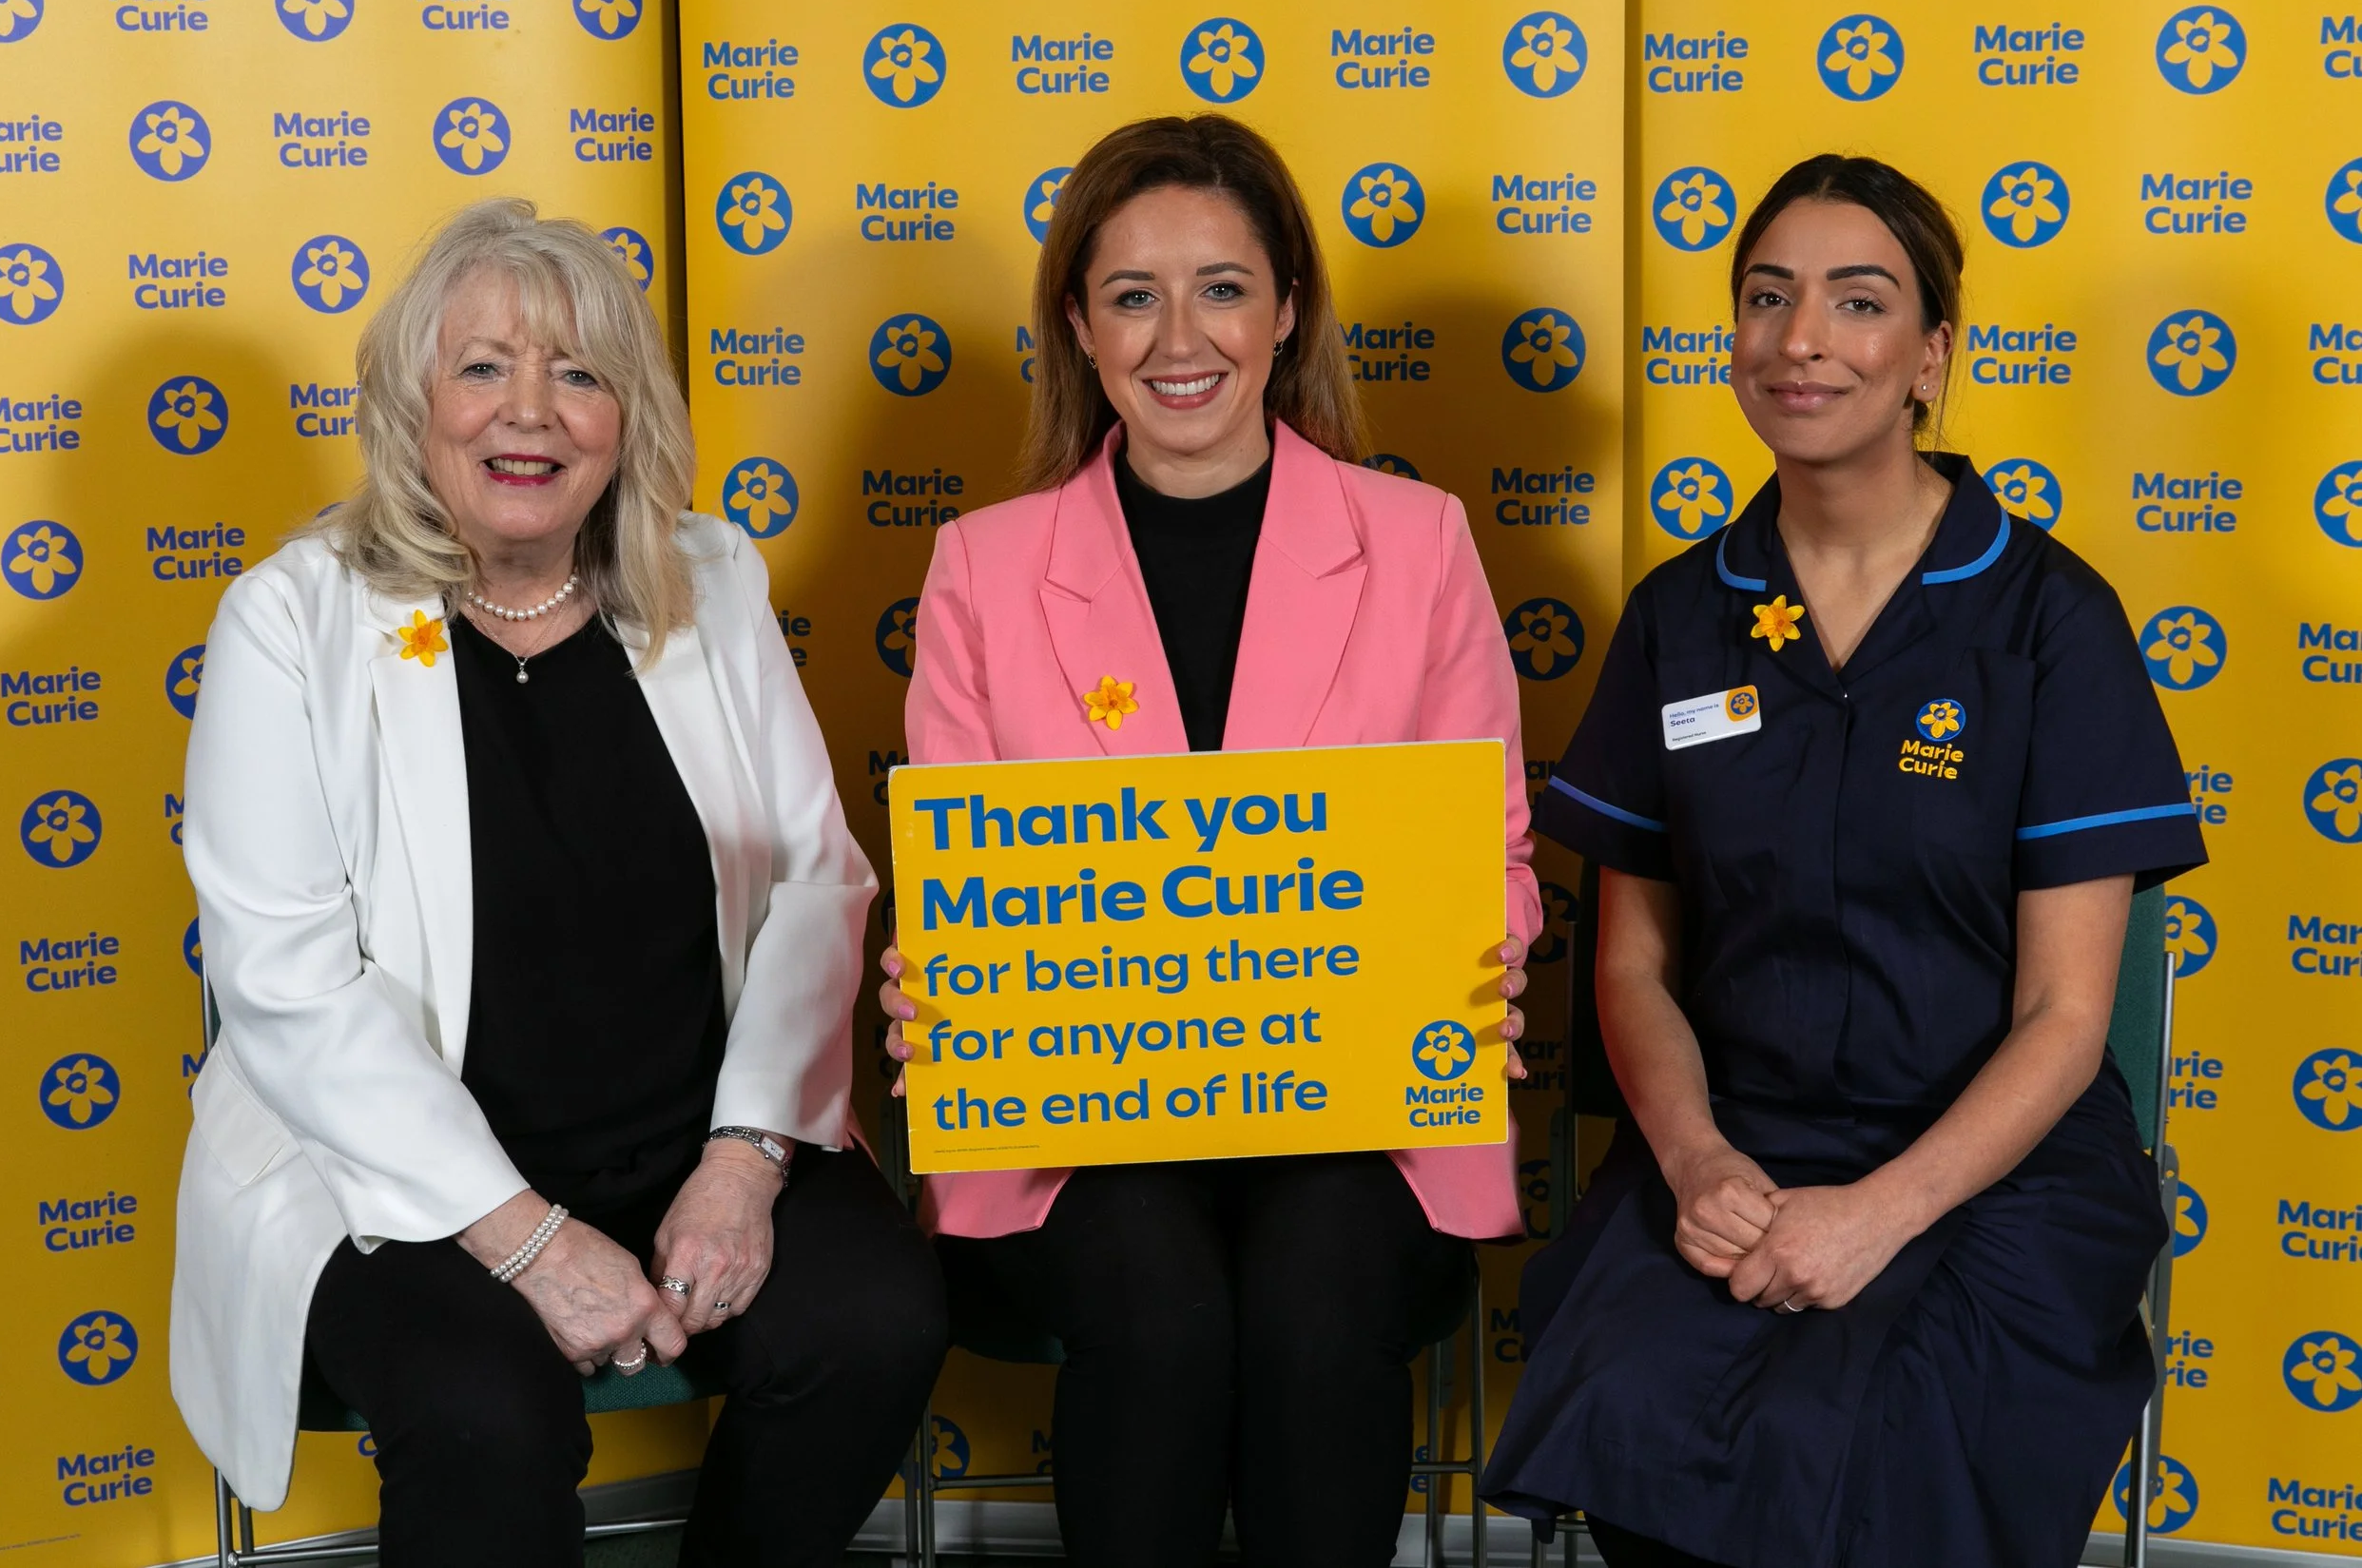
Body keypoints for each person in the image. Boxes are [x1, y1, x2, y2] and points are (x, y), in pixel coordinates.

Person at [173, 198, 945, 1568]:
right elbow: (284, 982)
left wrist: (745, 1159)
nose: (529, 413)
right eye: (483, 368)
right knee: (488, 1412)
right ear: (412, 401)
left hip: (693, 1135)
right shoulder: (291, 620)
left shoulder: (709, 578)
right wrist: (530, 1242)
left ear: (626, 417)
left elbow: (818, 880)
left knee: (874, 1317)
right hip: (397, 1186)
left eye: (578, 373)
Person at [1481, 154, 2206, 1568]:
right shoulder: (1681, 616)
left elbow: (2067, 1020)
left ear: (1932, 355)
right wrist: (1693, 1162)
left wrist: (1879, 1215)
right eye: (1766, 298)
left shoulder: (2050, 619)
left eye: (1856, 301)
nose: (1799, 337)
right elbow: (1630, 960)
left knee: (1878, 1430)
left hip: (1999, 1166)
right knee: (1642, 1401)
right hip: (1736, 1140)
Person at [874, 114, 1539, 1568]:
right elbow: (960, 878)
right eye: (1133, 294)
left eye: (1224, 286)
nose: (1184, 335)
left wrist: (1479, 961)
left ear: (1289, 308)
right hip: (1079, 1125)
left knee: (1316, 1303)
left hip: (1361, 1110)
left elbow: (1486, 849)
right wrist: (938, 978)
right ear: (1078, 324)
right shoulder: (984, 567)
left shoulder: (1418, 542)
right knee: (1160, 1314)